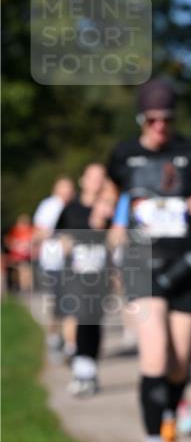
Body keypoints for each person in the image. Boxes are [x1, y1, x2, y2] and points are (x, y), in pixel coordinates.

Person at [107, 78, 191, 442]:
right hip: (140, 261)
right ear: (142, 118)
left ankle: (169, 416)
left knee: (178, 362)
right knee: (153, 356)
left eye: (166, 120)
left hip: (186, 261)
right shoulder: (124, 155)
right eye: (153, 120)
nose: (160, 127)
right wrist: (112, 222)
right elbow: (110, 196)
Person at [55, 164, 113, 396]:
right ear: (84, 180)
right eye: (93, 178)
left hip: (101, 273)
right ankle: (81, 366)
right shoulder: (72, 209)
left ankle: (89, 366)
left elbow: (117, 240)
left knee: (95, 320)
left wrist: (102, 221)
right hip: (77, 273)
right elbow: (61, 239)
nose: (97, 182)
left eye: (101, 178)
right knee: (81, 316)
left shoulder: (110, 208)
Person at [33, 177, 77, 359]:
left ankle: (70, 345)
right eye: (63, 187)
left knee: (72, 304)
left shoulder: (76, 205)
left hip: (75, 264)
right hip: (53, 262)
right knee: (58, 305)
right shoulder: (49, 206)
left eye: (69, 188)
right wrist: (58, 234)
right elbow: (38, 233)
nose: (67, 192)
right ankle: (54, 338)